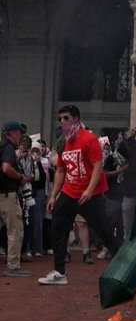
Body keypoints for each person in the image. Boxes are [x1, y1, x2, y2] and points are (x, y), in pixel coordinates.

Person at [38, 105, 121, 285]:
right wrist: (53, 195)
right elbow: (60, 170)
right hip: (69, 192)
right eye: (60, 118)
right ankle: (59, 272)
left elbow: (98, 167)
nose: (62, 121)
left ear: (76, 119)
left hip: (90, 194)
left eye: (66, 118)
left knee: (104, 232)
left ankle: (124, 267)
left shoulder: (89, 138)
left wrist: (89, 191)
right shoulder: (64, 142)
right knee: (58, 227)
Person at [0, 120, 32, 277]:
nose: (20, 136)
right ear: (12, 133)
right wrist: (20, 177)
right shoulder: (8, 148)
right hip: (7, 196)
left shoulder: (1, 146)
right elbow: (6, 168)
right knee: (15, 231)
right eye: (19, 133)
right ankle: (13, 266)